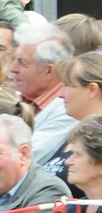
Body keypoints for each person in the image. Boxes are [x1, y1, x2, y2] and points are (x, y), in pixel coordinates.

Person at [8, 20, 76, 172]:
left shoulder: (67, 110)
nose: (13, 69)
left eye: (22, 63)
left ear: (49, 71)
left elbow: (25, 157)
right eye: (14, 60)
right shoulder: (16, 99)